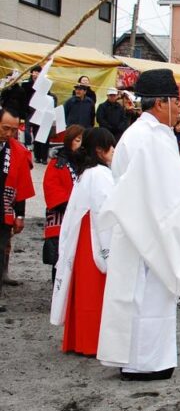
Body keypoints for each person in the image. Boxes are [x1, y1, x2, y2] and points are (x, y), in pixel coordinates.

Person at [95, 69, 180, 380]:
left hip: (139, 225)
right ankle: (144, 363)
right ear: (161, 102)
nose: (179, 108)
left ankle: (142, 359)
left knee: (141, 296)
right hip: (146, 228)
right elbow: (168, 190)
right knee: (147, 297)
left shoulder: (142, 134)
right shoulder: (150, 138)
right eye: (175, 101)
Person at [50, 128, 116, 356]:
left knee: (83, 291)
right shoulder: (100, 174)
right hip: (96, 235)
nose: (114, 151)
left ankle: (79, 339)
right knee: (94, 291)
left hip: (84, 236)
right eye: (111, 146)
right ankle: (92, 341)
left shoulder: (86, 172)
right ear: (100, 149)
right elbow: (107, 209)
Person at [0, 107, 34, 313]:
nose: (9, 133)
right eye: (5, 128)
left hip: (3, 210)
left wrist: (20, 215)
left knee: (0, 251)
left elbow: (21, 186)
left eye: (13, 130)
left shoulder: (17, 152)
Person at [43, 126, 85, 281]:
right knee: (60, 264)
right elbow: (51, 190)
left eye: (83, 141)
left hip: (80, 219)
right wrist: (73, 206)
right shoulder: (57, 163)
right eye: (77, 140)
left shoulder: (86, 164)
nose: (80, 144)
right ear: (69, 141)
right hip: (62, 218)